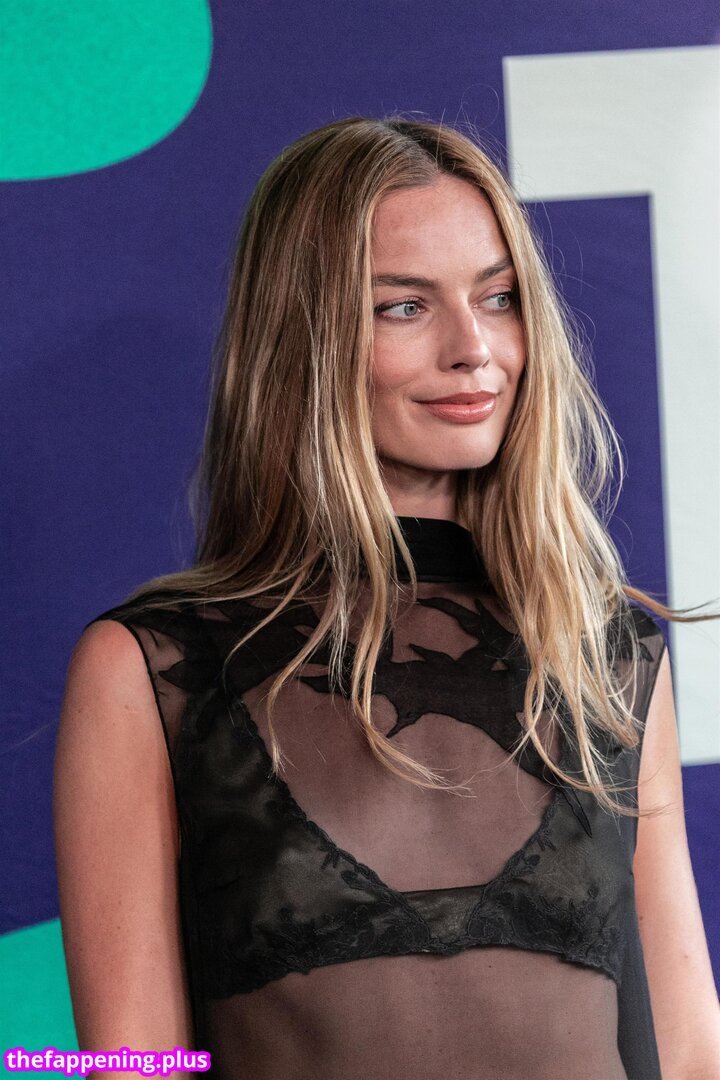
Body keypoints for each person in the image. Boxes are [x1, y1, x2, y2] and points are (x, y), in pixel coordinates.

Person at [54, 116, 720, 1080]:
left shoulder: (604, 650)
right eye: (404, 307)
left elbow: (690, 1051)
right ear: (304, 341)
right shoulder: (155, 669)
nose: (474, 348)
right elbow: (130, 1064)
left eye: (498, 297)